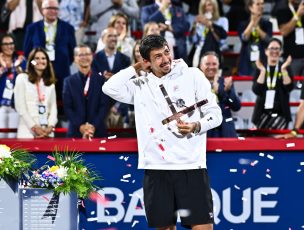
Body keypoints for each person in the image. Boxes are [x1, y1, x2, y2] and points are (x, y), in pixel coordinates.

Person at [102, 35, 222, 229]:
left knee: (203, 227)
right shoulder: (140, 85)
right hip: (156, 168)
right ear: (146, 61)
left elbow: (216, 115)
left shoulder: (193, 75)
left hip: (191, 166)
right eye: (157, 56)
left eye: (166, 52)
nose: (165, 59)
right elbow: (109, 87)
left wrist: (196, 126)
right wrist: (137, 67)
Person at [23, 0, 77, 99]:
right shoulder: (32, 28)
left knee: (63, 102)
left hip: (62, 72)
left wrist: (63, 63)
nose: (53, 11)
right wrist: (36, 66)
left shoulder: (68, 28)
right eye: (49, 8)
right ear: (42, 10)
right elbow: (27, 53)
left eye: (55, 8)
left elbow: (72, 53)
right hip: (38, 73)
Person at [63, 45, 109, 139]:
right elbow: (67, 108)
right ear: (75, 58)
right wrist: (81, 127)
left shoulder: (101, 80)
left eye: (87, 54)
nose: (84, 57)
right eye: (81, 55)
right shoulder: (68, 81)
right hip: (75, 132)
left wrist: (93, 126)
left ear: (92, 57)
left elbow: (104, 106)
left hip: (98, 131)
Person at [14, 47, 58, 138]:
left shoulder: (50, 84)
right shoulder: (22, 78)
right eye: (36, 58)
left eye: (43, 58)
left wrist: (50, 126)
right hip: (27, 131)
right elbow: (20, 107)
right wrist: (34, 127)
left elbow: (53, 108)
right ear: (31, 62)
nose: (40, 61)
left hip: (46, 132)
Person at [252, 38, 294, 130]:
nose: (274, 51)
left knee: (279, 144)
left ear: (281, 51)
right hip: (261, 115)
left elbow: (289, 88)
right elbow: (256, 90)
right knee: (262, 143)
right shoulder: (261, 67)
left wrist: (283, 70)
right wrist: (263, 71)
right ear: (266, 51)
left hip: (281, 115)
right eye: (271, 48)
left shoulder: (285, 67)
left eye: (277, 49)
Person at [274, 0, 304, 77]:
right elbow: (284, 31)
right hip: (291, 58)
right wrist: (297, 15)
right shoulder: (283, 9)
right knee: (291, 86)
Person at [199, 51, 240, 137]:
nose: (211, 67)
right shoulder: (195, 84)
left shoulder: (225, 82)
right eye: (207, 64)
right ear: (201, 66)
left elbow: (236, 106)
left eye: (214, 64)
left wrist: (226, 92)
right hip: (204, 131)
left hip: (226, 131)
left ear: (218, 65)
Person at [0, 33, 26, 138]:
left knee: (13, 137)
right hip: (0, 105)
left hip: (15, 104)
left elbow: (26, 78)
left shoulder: (21, 60)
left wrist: (17, 68)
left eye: (11, 43)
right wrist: (4, 67)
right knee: (1, 137)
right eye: (5, 44)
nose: (9, 46)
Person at [237, 0, 272, 76]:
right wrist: (252, 23)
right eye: (258, 4)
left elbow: (269, 40)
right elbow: (244, 38)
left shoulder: (267, 24)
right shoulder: (243, 24)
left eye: (262, 4)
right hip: (246, 63)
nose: (261, 6)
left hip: (262, 61)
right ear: (250, 7)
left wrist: (257, 27)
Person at [189, 0, 228, 67]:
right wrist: (195, 25)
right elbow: (193, 41)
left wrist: (211, 26)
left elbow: (222, 41)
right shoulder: (199, 22)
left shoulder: (223, 20)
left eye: (209, 5)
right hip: (200, 51)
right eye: (204, 6)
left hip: (216, 51)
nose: (207, 8)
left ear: (214, 6)